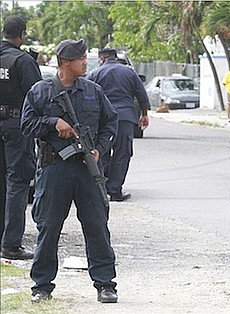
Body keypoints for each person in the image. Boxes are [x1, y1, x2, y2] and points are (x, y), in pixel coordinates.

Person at [21, 39, 119, 303]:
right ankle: (41, 286)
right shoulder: (40, 92)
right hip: (55, 168)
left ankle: (105, 284)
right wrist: (53, 123)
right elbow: (27, 125)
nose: (86, 62)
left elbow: (111, 122)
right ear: (65, 62)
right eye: (81, 58)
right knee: (49, 227)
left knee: (97, 225)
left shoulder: (93, 91)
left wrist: (99, 148)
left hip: (88, 169)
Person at [0, 15, 41, 260]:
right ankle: (11, 244)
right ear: (22, 35)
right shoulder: (23, 61)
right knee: (18, 181)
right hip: (17, 125)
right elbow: (38, 96)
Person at [87, 48, 150, 202]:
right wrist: (144, 114)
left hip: (104, 119)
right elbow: (141, 93)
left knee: (102, 152)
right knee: (123, 153)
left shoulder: (95, 74)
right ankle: (115, 190)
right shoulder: (129, 72)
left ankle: (102, 188)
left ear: (101, 59)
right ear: (115, 58)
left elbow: (87, 95)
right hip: (125, 118)